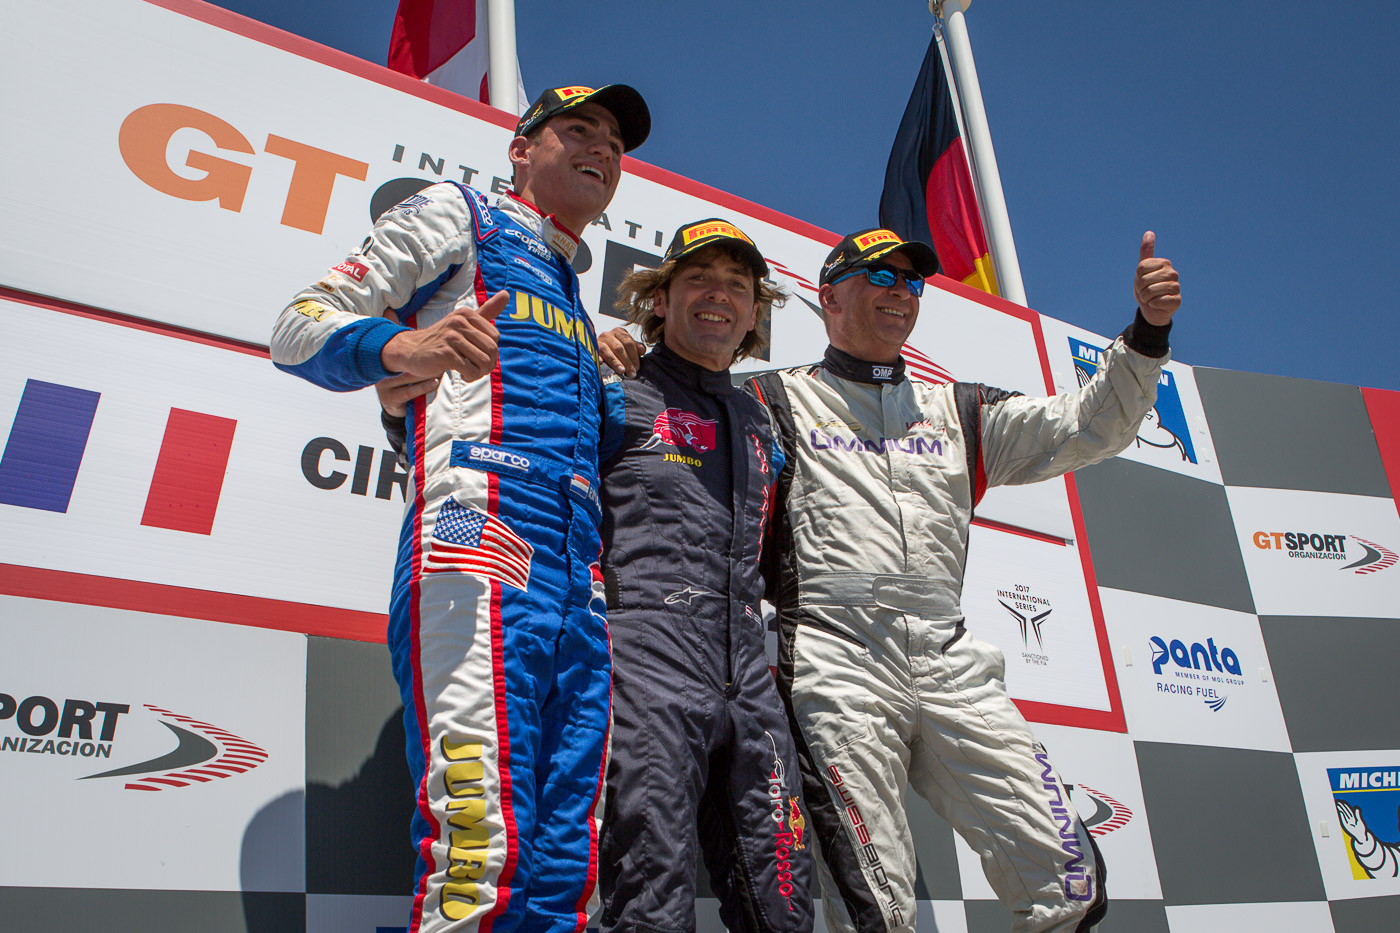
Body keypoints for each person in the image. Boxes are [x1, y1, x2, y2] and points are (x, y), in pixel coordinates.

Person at [602, 227, 1181, 933]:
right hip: (833, 658)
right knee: (878, 908)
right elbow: (676, 409)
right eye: (879, 277)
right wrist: (621, 351)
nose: (899, 293)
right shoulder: (767, 403)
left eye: (912, 281)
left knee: (1070, 880)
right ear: (828, 297)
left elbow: (1087, 425)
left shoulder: (960, 410)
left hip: (948, 656)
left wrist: (1147, 337)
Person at [270, 84, 650, 933]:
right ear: (521, 148)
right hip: (475, 526)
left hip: (577, 571)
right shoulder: (461, 211)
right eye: (578, 129)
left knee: (567, 860)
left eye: (616, 142)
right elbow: (297, 328)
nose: (603, 148)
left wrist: (608, 371)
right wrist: (402, 346)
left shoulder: (571, 293)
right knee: (481, 839)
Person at [384, 219, 815, 933]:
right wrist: (398, 400)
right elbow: (485, 433)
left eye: (738, 286)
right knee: (652, 887)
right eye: (700, 280)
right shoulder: (610, 383)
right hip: (644, 662)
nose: (720, 296)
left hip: (750, 669)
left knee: (785, 887)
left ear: (754, 312)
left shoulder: (761, 414)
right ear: (659, 299)